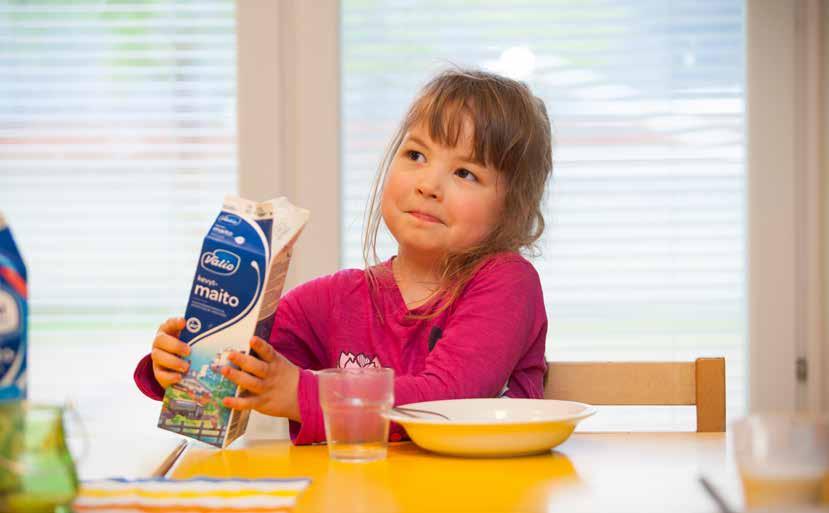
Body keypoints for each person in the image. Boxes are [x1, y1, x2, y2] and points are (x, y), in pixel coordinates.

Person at [134, 68, 554, 444]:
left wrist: (301, 393)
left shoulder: (507, 283)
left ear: (513, 208)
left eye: (465, 172)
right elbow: (244, 365)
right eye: (416, 155)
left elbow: (450, 398)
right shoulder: (335, 300)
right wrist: (180, 364)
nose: (428, 184)